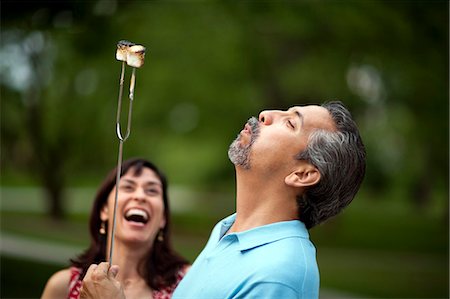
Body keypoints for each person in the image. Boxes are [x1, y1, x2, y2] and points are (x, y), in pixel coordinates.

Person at [79, 101, 366, 299]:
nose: (266, 114)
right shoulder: (227, 231)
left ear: (303, 174)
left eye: (290, 123)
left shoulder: (277, 275)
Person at [41, 158, 190, 299]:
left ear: (163, 218)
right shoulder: (63, 287)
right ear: (104, 210)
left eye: (152, 191)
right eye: (128, 187)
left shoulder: (188, 282)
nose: (140, 196)